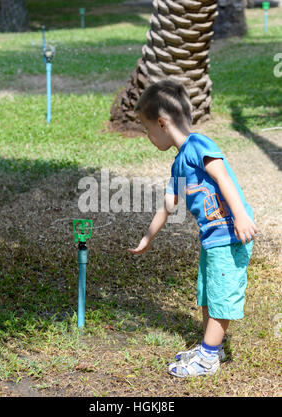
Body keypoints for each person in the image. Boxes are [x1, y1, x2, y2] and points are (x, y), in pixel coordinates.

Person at [128, 80, 257, 377]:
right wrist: (148, 237)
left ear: (162, 123)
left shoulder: (199, 145)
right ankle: (212, 347)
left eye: (148, 130)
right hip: (212, 239)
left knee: (221, 294)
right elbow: (168, 204)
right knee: (209, 293)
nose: (148, 137)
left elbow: (222, 176)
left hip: (231, 234)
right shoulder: (179, 164)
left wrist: (239, 215)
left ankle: (208, 358)